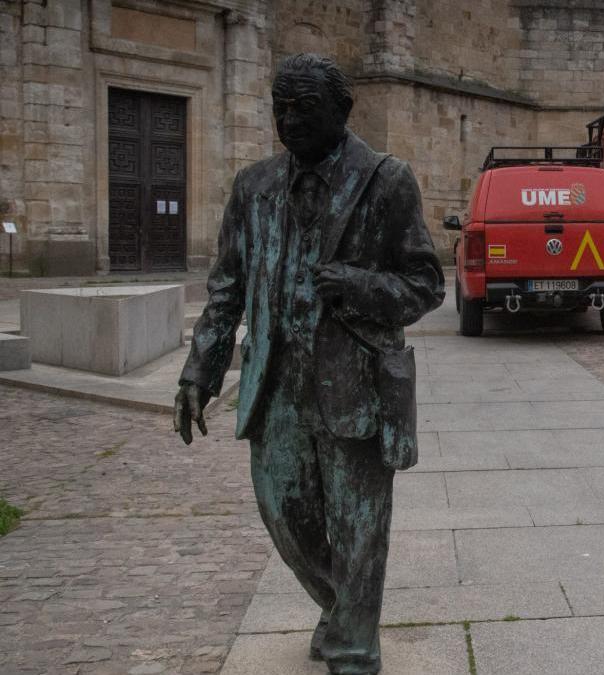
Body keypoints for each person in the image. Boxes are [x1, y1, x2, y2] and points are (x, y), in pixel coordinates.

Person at [173, 54, 444, 674]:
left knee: (359, 527)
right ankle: (344, 605)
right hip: (277, 385)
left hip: (357, 383)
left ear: (343, 112)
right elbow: (226, 288)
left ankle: (353, 644)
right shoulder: (254, 186)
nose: (288, 120)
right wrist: (199, 371)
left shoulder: (386, 180)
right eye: (280, 108)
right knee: (284, 517)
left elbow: (426, 284)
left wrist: (359, 284)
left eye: (303, 108)